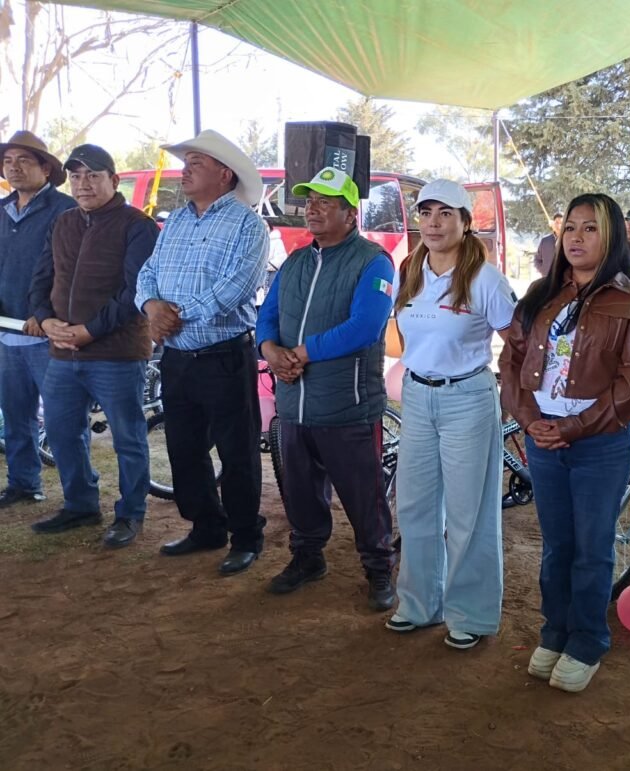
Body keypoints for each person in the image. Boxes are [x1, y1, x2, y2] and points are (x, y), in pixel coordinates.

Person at [499, 193, 630, 690]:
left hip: (601, 442)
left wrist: (571, 428)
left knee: (592, 547)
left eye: (590, 228)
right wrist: (530, 420)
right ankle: (555, 631)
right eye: (570, 227)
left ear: (611, 237)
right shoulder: (541, 294)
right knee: (557, 545)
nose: (576, 237)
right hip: (544, 438)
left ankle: (587, 641)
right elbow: (511, 361)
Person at [256, 167, 397, 609]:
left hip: (347, 407)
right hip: (294, 406)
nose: (313, 209)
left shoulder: (373, 261)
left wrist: (301, 353)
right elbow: (268, 315)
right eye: (310, 201)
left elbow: (365, 326)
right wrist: (270, 350)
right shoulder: (295, 262)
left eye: (326, 202)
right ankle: (307, 557)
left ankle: (379, 568)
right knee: (299, 492)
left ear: (351, 214)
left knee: (364, 496)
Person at [386, 179, 517, 648]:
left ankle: (471, 616)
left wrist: (515, 395)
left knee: (468, 512)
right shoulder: (411, 270)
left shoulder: (485, 279)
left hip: (467, 398)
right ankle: (419, 604)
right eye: (426, 213)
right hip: (418, 397)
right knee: (415, 505)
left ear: (465, 222)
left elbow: (519, 342)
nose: (434, 223)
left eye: (446, 213)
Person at [135, 129, 269, 575]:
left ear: (224, 174)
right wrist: (151, 307)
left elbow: (236, 288)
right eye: (186, 163)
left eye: (196, 164)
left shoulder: (248, 224)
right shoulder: (175, 220)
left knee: (237, 451)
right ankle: (206, 526)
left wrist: (173, 316)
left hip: (223, 356)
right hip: (178, 358)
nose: (185, 171)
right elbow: (148, 273)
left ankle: (246, 536)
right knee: (184, 447)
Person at [28, 144, 158, 547]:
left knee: (127, 438)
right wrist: (45, 318)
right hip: (62, 353)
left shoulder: (138, 225)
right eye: (76, 176)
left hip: (116, 354)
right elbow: (42, 277)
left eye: (93, 176)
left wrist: (89, 330)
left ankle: (130, 513)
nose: (83, 184)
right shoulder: (63, 222)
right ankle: (81, 504)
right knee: (61, 431)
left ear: (114, 180)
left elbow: (135, 290)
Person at [0, 131, 76, 508]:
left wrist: (44, 314)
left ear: (46, 169)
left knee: (63, 421)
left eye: (24, 160)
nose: (14, 167)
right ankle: (23, 483)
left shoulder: (65, 210)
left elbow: (69, 270)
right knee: (16, 417)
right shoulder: (1, 210)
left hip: (46, 335)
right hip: (6, 332)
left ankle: (79, 498)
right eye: (8, 161)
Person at [533, 212, 562, 277]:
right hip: (547, 279)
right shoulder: (545, 241)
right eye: (557, 222)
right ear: (553, 224)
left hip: (564, 280)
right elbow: (537, 259)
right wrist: (543, 270)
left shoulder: (568, 241)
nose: (559, 226)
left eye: (561, 223)